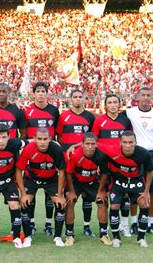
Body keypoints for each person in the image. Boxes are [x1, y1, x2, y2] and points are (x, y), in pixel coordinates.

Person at [97, 130, 153, 248]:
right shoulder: (112, 149)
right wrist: (74, 146)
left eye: (131, 142)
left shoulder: (143, 153)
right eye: (125, 142)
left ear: (135, 142)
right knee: (114, 206)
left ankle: (141, 238)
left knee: (144, 203)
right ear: (120, 142)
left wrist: (147, 191)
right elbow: (92, 142)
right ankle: (116, 237)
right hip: (118, 182)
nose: (128, 145)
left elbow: (149, 171)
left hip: (135, 181)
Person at [15, 128, 67, 248]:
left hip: (51, 179)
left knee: (60, 204)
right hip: (32, 178)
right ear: (34, 139)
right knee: (25, 203)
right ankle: (28, 236)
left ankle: (57, 236)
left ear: (50, 139)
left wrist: (60, 195)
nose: (42, 142)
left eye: (45, 139)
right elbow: (18, 171)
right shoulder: (28, 149)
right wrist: (22, 194)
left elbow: (62, 172)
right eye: (39, 139)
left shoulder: (56, 149)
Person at [123, 87, 153, 235]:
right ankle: (134, 222)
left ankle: (150, 223)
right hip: (135, 155)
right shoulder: (129, 112)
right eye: (143, 95)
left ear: (152, 98)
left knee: (152, 191)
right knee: (132, 190)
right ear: (138, 97)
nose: (146, 98)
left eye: (148, 95)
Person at [91, 94, 132, 237]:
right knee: (106, 195)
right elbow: (94, 142)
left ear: (119, 104)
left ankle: (124, 225)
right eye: (110, 102)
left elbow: (130, 141)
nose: (113, 105)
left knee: (125, 194)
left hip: (121, 163)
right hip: (104, 164)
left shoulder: (125, 121)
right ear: (105, 105)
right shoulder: (99, 121)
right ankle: (106, 227)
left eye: (115, 102)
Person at [56, 89, 95, 237]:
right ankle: (68, 229)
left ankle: (86, 227)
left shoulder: (89, 117)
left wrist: (78, 147)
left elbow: (91, 137)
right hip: (68, 160)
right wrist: (67, 149)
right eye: (75, 97)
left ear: (84, 99)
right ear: (71, 99)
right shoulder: (64, 116)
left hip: (86, 159)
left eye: (80, 97)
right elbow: (59, 135)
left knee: (87, 195)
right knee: (69, 195)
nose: (78, 99)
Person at [23, 81, 60, 236]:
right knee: (30, 193)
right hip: (32, 154)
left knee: (49, 194)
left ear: (47, 93)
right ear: (34, 93)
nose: (40, 93)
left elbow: (56, 133)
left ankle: (47, 224)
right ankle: (31, 224)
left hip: (50, 153)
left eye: (43, 91)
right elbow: (23, 134)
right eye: (37, 91)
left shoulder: (54, 110)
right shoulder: (27, 110)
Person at [64, 133, 112, 246]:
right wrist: (71, 191)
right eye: (87, 144)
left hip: (92, 181)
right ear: (82, 144)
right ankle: (69, 235)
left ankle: (103, 234)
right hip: (75, 182)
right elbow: (68, 174)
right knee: (70, 202)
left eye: (92, 144)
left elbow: (104, 174)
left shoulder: (101, 155)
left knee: (102, 201)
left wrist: (101, 190)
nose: (90, 146)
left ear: (96, 145)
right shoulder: (74, 154)